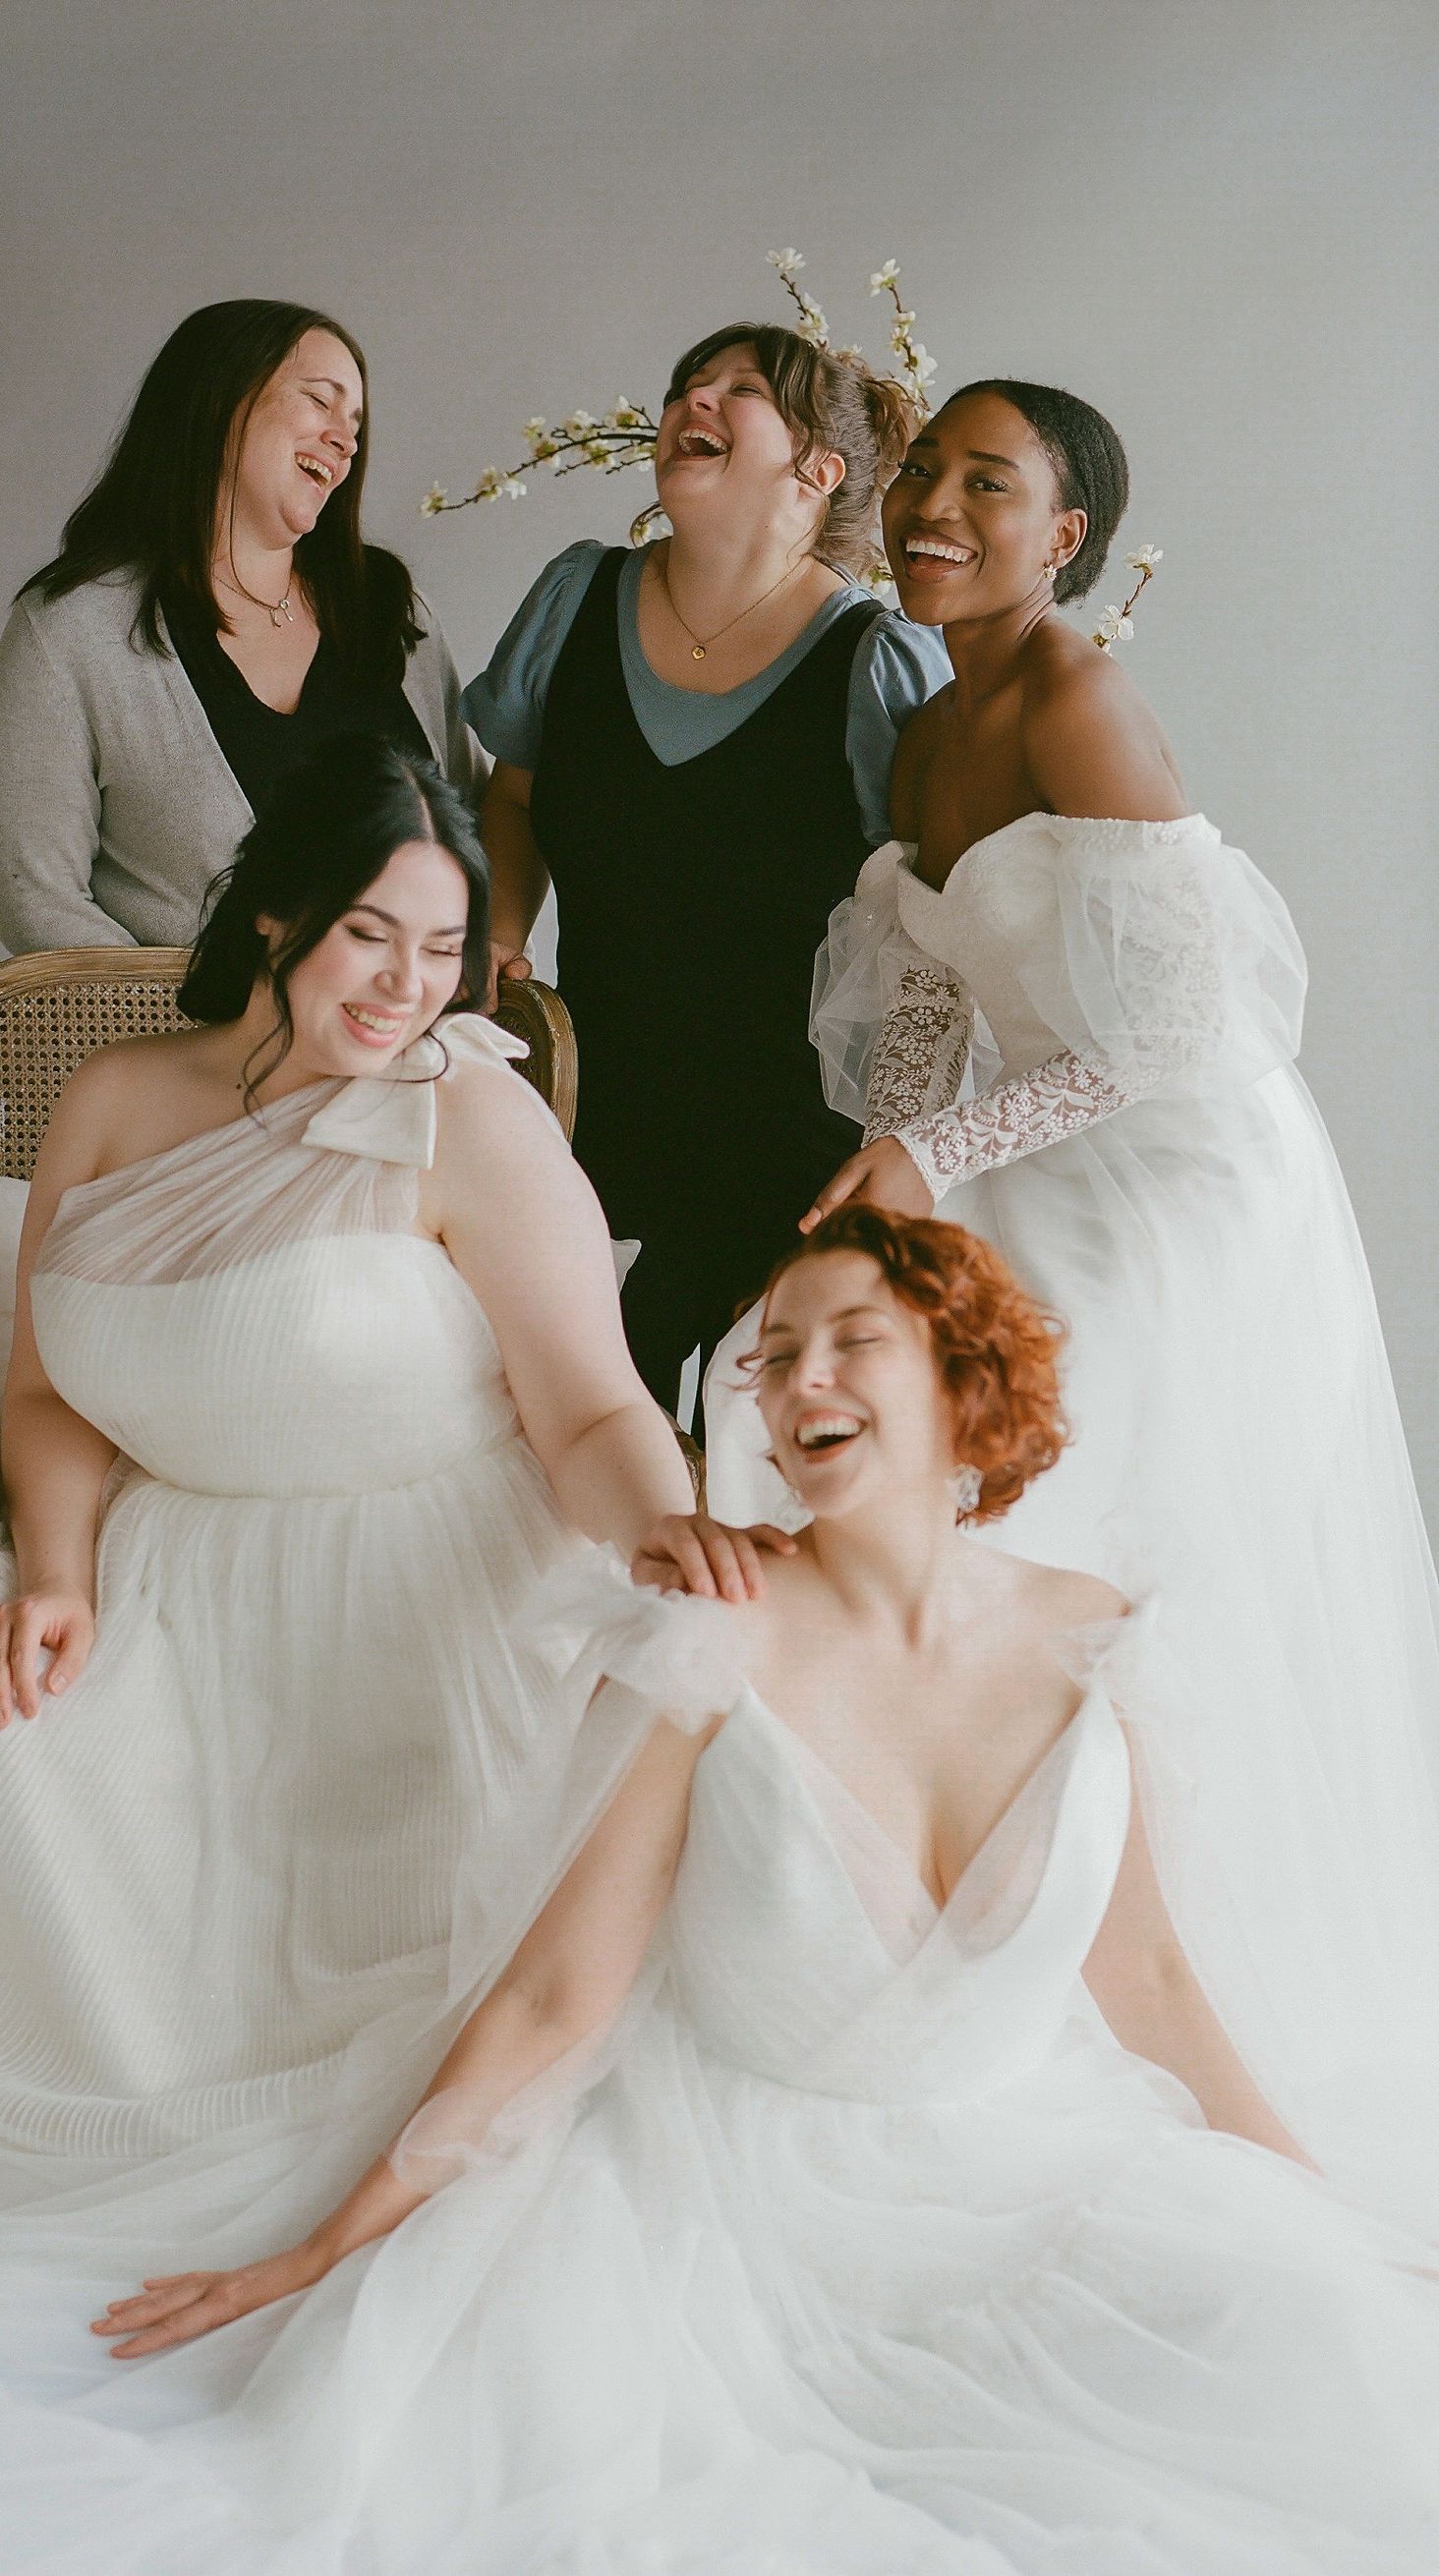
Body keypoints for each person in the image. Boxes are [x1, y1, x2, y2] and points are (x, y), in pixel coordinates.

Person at [0, 1212, 1434, 2571]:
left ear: (965, 1369)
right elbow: (557, 1997)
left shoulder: (1099, 1635)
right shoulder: (709, 1638)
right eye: (769, 1354)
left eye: (847, 1336)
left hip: (1020, 2170)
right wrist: (323, 2251)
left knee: (1306, 2367)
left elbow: (1150, 1981)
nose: (796, 1381)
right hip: (733, 2209)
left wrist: (1317, 2207)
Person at [0, 735, 697, 2219]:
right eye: (369, 934)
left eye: (439, 949)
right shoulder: (113, 1097)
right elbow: (45, 1390)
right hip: (161, 1570)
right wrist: (56, 1578)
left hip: (422, 1588)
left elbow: (594, 1411)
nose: (406, 986)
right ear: (279, 911)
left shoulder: (471, 1118)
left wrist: (669, 1537)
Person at [706, 377, 1439, 2215]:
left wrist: (941, 1156)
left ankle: (1149, 1983)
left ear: (1067, 536)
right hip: (1023, 1140)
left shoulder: (1076, 700)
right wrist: (881, 1179)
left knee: (1063, 1485)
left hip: (1181, 1171)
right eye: (924, 472)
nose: (936, 507)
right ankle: (903, 1924)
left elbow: (1177, 1032)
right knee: (838, 1380)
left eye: (989, 483)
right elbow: (931, 1002)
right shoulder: (927, 722)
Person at [463, 317, 950, 1409]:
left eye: (741, 390)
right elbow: (515, 795)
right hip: (588, 1122)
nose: (696, 398)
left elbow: (936, 932)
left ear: (818, 471)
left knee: (753, 1454)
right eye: (691, 381)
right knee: (570, 1435)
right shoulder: (575, 597)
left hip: (799, 1155)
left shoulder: (878, 665)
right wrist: (496, 931)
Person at [0, 299, 484, 951]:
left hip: (420, 1019)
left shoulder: (393, 615)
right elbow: (36, 897)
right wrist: (210, 1014)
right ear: (218, 403)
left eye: (356, 423)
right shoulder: (71, 631)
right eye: (319, 401)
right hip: (180, 1020)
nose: (347, 441)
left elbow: (475, 835)